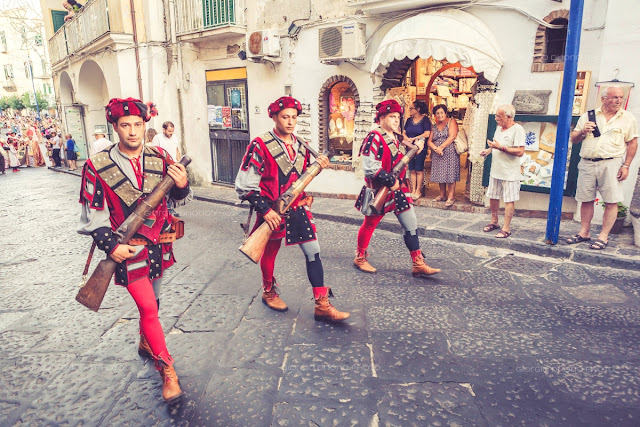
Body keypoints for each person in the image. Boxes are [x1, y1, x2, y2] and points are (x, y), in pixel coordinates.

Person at [78, 97, 191, 403]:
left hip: (158, 244)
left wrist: (181, 184)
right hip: (126, 249)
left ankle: (146, 340)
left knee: (154, 300)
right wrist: (112, 247)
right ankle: (167, 369)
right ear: (115, 127)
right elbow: (93, 216)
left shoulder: (160, 156)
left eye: (138, 125)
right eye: (125, 125)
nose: (132, 131)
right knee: (149, 309)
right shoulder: (96, 165)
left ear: (145, 125)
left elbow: (177, 198)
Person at [235, 96, 350, 322]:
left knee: (313, 251)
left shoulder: (302, 145)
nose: (290, 122)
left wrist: (319, 167)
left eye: (294, 117)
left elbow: (301, 175)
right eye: (285, 117)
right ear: (275, 117)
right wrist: (266, 211)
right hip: (272, 209)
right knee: (270, 252)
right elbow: (245, 185)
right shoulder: (260, 144)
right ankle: (268, 290)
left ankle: (322, 304)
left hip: (297, 207)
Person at [354, 100, 441, 277]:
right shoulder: (374, 137)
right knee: (370, 224)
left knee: (411, 224)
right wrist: (388, 180)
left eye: (398, 117)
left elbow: (405, 154)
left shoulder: (397, 137)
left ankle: (418, 262)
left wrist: (417, 148)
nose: (396, 120)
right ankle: (360, 257)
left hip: (398, 189)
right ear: (381, 118)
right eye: (392, 117)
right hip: (380, 190)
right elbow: (370, 168)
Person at [567, 86, 638, 250]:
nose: (618, 101)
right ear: (604, 98)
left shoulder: (627, 118)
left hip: (611, 163)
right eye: (614, 97)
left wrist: (626, 165)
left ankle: (603, 236)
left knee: (612, 201)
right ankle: (584, 232)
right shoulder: (588, 116)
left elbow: (632, 143)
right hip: (587, 162)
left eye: (620, 97)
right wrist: (582, 131)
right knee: (586, 199)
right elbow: (574, 138)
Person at [480, 104, 526, 238]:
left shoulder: (518, 129)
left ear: (509, 117)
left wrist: (502, 148)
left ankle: (506, 228)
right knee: (493, 196)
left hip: (510, 172)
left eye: (499, 117)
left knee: (509, 200)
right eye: (496, 116)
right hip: (496, 170)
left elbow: (520, 151)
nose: (496, 119)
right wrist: (488, 151)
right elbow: (496, 146)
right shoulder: (499, 128)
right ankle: (494, 221)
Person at [427, 104, 459, 207]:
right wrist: (435, 148)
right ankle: (442, 195)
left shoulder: (451, 121)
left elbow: (452, 136)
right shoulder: (434, 126)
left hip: (449, 152)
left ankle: (451, 196)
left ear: (445, 113)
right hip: (437, 153)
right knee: (440, 173)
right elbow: (429, 141)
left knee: (450, 174)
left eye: (441, 112)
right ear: (435, 115)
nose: (440, 115)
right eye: (437, 113)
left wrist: (441, 147)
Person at [402, 100, 432, 200]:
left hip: (420, 147)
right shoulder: (409, 120)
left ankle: (418, 190)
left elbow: (427, 133)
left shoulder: (425, 120)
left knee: (419, 169)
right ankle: (413, 189)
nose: (410, 110)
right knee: (412, 169)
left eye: (411, 108)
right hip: (409, 147)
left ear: (418, 109)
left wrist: (414, 139)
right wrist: (407, 140)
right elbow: (404, 133)